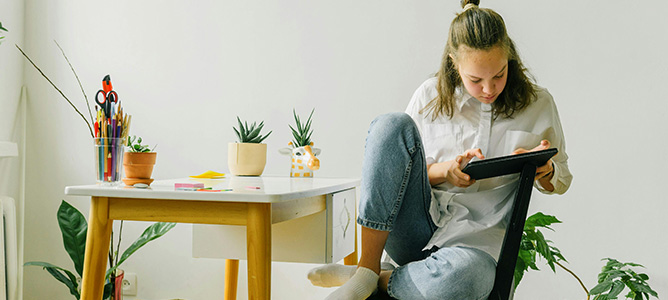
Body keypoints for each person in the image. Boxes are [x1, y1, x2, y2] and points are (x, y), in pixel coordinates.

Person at [308, 0, 573, 299]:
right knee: (389, 125)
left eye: (499, 74)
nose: (489, 89)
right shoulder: (429, 95)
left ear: (510, 58)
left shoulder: (539, 104)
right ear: (454, 63)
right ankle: (367, 269)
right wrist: (445, 170)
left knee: (465, 276)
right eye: (475, 79)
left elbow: (561, 178)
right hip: (420, 227)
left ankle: (383, 278)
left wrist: (546, 170)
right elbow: (399, 172)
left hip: (479, 248)